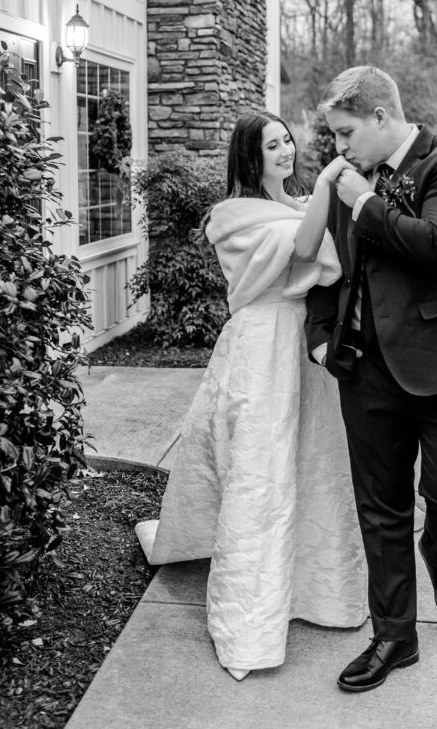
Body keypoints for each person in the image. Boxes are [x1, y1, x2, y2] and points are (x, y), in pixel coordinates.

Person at [136, 112, 367, 681]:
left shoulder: (294, 203)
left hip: (305, 348)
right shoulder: (231, 216)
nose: (286, 150)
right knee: (261, 470)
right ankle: (253, 618)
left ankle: (319, 593)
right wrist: (322, 186)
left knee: (313, 463)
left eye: (288, 139)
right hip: (262, 344)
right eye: (273, 145)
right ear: (250, 156)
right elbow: (308, 244)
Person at [305, 66, 437, 693]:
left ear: (381, 118)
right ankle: (395, 637)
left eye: (345, 133)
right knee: (381, 509)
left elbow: (434, 243)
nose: (338, 148)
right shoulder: (345, 180)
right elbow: (328, 268)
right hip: (364, 370)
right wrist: (318, 338)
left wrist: (363, 200)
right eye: (334, 136)